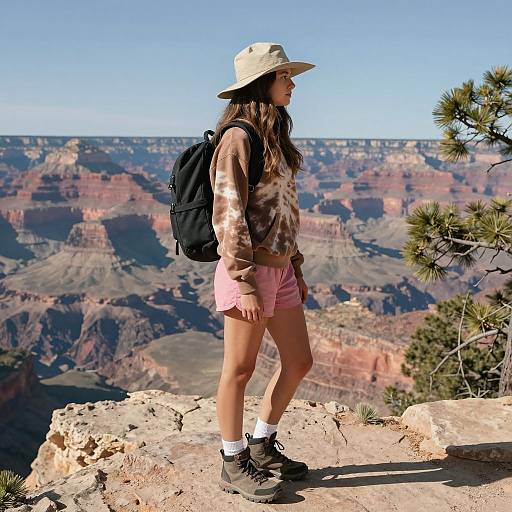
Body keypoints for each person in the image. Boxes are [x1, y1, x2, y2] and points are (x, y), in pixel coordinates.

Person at [209, 41, 316, 503]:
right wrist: (246, 282)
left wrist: (294, 264)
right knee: (240, 368)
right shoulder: (239, 137)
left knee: (299, 361)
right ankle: (233, 462)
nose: (292, 84)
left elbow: (280, 210)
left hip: (280, 268)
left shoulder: (272, 134)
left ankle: (262, 443)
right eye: (284, 77)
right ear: (263, 83)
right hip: (247, 272)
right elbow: (228, 214)